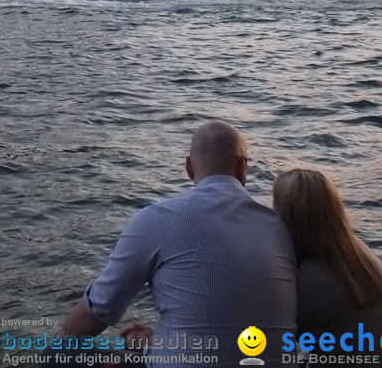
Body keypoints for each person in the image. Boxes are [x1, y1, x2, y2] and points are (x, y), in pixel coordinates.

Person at [55, 121, 296, 366]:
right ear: (243, 167)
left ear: (189, 167)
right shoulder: (280, 227)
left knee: (59, 352)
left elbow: (98, 310)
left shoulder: (158, 219)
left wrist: (59, 342)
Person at [272, 169, 382, 341]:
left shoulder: (313, 280)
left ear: (291, 219)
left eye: (275, 207)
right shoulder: (354, 250)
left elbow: (273, 331)